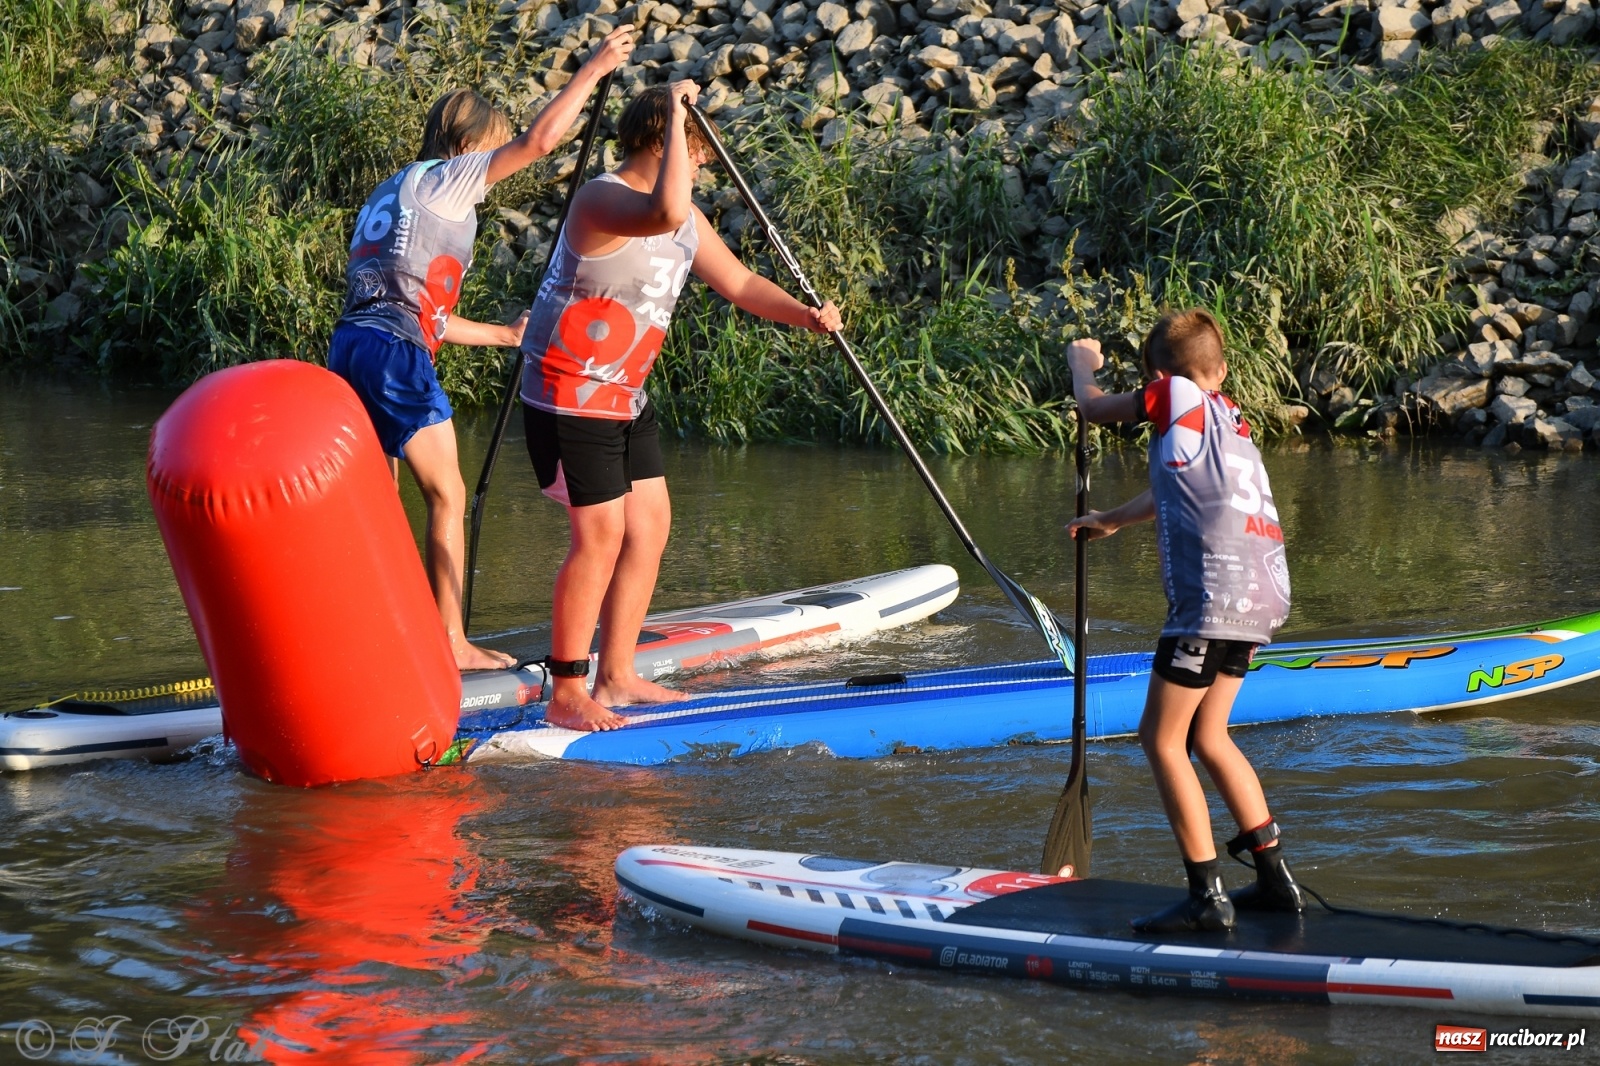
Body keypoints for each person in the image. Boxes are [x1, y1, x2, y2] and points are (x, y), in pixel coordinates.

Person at [519, 80, 842, 732]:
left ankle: (616, 673)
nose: (703, 163)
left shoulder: (687, 220)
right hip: (568, 397)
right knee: (601, 538)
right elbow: (664, 211)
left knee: (652, 526)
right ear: (662, 141)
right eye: (695, 149)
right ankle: (566, 689)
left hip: (624, 398)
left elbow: (742, 284)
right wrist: (673, 106)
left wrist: (805, 317)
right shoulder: (602, 198)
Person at [329, 27, 635, 673]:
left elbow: (419, 309)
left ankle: (376, 635)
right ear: (468, 144)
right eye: (492, 148)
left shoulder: (393, 187)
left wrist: (502, 335)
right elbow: (541, 142)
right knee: (448, 497)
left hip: (352, 345)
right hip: (394, 354)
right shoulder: (449, 178)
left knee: (382, 508)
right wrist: (594, 68)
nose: (499, 164)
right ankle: (450, 643)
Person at [1065, 309, 1302, 933]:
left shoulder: (1174, 392)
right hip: (1261, 598)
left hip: (1210, 600)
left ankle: (1206, 896)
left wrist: (1081, 367)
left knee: (1162, 739)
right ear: (1222, 369)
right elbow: (1180, 489)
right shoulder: (1230, 420)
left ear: (1156, 375)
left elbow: (1092, 408)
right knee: (1210, 735)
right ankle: (1276, 881)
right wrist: (1114, 516)